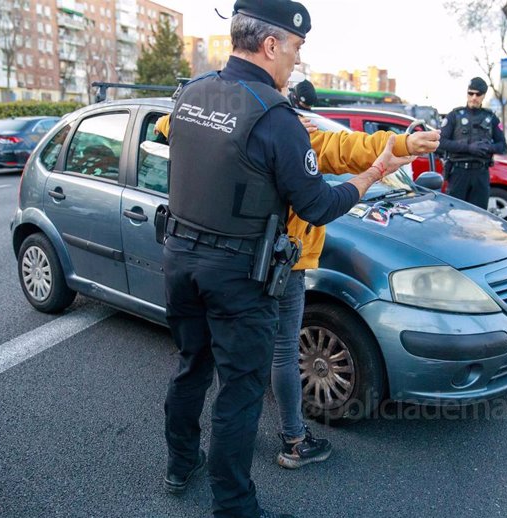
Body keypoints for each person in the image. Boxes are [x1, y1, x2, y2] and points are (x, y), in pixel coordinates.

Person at [161, 2, 416, 517]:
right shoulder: (275, 117)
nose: (297, 61)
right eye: (296, 48)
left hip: (180, 261)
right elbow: (317, 205)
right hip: (237, 278)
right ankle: (234, 507)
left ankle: (179, 465)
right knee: (239, 393)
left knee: (191, 368)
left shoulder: (190, 96)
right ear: (271, 44)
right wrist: (372, 174)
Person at [156, 107, 439, 473]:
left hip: (225, 255)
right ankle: (293, 439)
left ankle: (209, 450)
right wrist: (401, 144)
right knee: (283, 352)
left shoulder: (230, 126)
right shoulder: (291, 136)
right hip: (283, 261)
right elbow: (345, 150)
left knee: (216, 355)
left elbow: (168, 123)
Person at [438, 76, 507, 209]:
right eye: (471, 93)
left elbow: (502, 145)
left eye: (478, 94)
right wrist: (468, 148)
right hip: (459, 172)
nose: (474, 97)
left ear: (483, 96)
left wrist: (489, 148)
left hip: (480, 173)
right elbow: (441, 142)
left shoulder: (491, 118)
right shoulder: (455, 115)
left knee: (479, 217)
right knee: (455, 214)